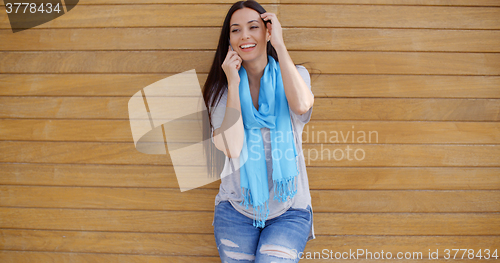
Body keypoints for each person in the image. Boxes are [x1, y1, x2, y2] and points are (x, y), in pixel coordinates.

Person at [202, 0, 315, 262]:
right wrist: (233, 82)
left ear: (267, 32)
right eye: (236, 30)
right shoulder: (220, 92)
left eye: (254, 27)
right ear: (228, 40)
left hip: (290, 210)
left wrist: (280, 45)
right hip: (235, 210)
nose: (245, 36)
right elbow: (233, 147)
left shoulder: (295, 75)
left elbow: (301, 105)